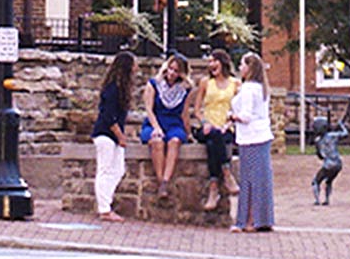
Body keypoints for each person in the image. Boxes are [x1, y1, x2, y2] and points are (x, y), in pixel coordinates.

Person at [227, 52, 276, 232]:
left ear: (250, 68)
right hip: (262, 135)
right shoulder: (261, 88)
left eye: (242, 65)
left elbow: (246, 116)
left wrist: (232, 117)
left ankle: (249, 220)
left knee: (249, 179)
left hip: (250, 138)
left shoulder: (248, 89)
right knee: (261, 179)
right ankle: (261, 218)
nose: (240, 68)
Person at [87, 50, 135, 221]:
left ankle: (106, 202)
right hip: (106, 134)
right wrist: (120, 134)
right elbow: (108, 115)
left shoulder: (120, 88)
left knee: (118, 170)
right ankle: (104, 209)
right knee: (105, 169)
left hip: (113, 135)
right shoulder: (113, 88)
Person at [193, 49, 238, 211]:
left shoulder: (235, 83)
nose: (211, 65)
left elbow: (237, 109)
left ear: (223, 62)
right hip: (207, 127)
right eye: (209, 62)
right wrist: (204, 122)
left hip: (226, 127)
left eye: (214, 61)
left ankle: (213, 188)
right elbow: (197, 110)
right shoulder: (205, 83)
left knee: (214, 143)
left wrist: (228, 123)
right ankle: (226, 173)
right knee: (212, 135)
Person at [144, 56, 194, 187]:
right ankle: (161, 182)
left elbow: (184, 113)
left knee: (175, 142)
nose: (171, 73)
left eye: (176, 71)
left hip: (174, 124)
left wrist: (189, 133)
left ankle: (166, 181)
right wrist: (156, 127)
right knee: (157, 142)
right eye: (170, 69)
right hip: (155, 121)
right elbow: (149, 109)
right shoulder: (154, 84)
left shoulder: (185, 89)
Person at [312, 119, 346, 205]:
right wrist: (341, 125)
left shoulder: (318, 141)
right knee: (329, 181)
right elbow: (345, 133)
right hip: (338, 163)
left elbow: (320, 156)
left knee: (316, 181)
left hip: (328, 164)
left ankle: (317, 200)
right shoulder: (333, 135)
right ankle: (327, 199)